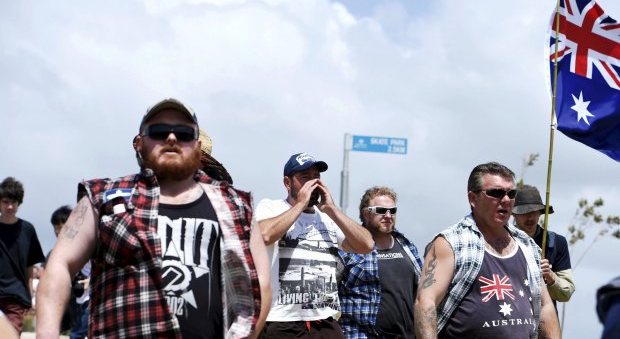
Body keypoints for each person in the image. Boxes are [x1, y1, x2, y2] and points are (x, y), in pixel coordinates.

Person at [36, 98, 271, 339]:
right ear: (139, 142)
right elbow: (60, 264)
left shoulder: (235, 205)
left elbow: (260, 281)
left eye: (184, 133)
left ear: (197, 145)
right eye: (158, 132)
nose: (171, 138)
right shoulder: (103, 197)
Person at [414, 162, 560, 338]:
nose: (506, 200)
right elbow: (425, 303)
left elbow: (545, 305)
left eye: (511, 193)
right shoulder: (451, 243)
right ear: (473, 199)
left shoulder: (527, 245)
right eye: (496, 193)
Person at [256, 152, 374, 338]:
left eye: (316, 177)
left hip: (325, 320)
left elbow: (366, 245)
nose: (313, 183)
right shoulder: (271, 207)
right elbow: (264, 235)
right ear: (287, 183)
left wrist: (333, 210)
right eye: (305, 177)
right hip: (282, 320)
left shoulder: (327, 217)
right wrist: (301, 204)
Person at [338, 186, 423, 338]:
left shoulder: (407, 245)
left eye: (392, 211)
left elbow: (421, 292)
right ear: (365, 213)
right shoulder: (348, 247)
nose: (388, 215)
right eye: (381, 211)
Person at [513, 185, 575, 308]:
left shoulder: (556, 242)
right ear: (513, 213)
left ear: (541, 212)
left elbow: (566, 294)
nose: (530, 217)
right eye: (524, 212)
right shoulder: (501, 240)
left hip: (546, 318)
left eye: (534, 211)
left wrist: (550, 276)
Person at [0, 176, 46, 335]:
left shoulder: (27, 230)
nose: (10, 206)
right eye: (5, 201)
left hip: (16, 296)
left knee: (11, 336)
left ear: (19, 203)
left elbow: (30, 267)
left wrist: (30, 297)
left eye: (14, 202)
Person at [49, 205, 91, 338]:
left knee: (76, 335)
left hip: (91, 297)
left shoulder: (88, 244)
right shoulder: (55, 252)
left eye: (62, 227)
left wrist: (90, 281)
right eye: (56, 227)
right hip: (75, 301)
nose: (59, 231)